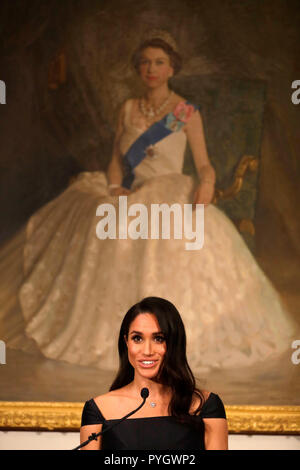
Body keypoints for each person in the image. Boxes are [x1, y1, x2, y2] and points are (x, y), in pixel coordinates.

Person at [6, 29, 296, 372]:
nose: (151, 69)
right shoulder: (128, 108)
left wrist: (207, 181)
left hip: (171, 191)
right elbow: (116, 158)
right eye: (145, 63)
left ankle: (165, 339)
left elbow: (204, 163)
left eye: (159, 63)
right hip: (132, 191)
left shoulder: (186, 112)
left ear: (172, 69)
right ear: (138, 69)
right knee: (101, 218)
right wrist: (115, 188)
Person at [80, 297, 228, 450]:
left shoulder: (206, 405)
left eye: (158, 339)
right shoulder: (98, 409)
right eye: (137, 338)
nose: (147, 351)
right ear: (126, 342)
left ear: (174, 343)